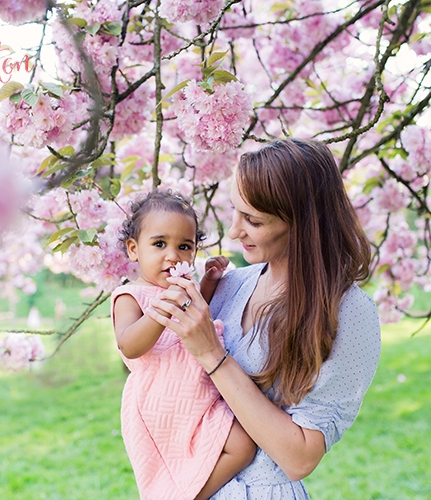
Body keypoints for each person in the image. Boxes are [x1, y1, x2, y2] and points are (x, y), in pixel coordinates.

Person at [146, 138, 382, 499]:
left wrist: (212, 354)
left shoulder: (348, 313)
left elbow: (299, 458)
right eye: (236, 212)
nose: (234, 231)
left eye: (253, 220)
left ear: (303, 224)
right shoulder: (227, 286)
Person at [111, 191, 257, 500]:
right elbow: (129, 345)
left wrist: (207, 283)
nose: (173, 256)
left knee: (243, 444)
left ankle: (187, 492)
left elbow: (195, 312)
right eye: (160, 244)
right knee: (238, 445)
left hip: (197, 389)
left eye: (185, 246)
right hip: (160, 399)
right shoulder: (131, 296)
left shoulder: (182, 290)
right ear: (134, 249)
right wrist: (161, 309)